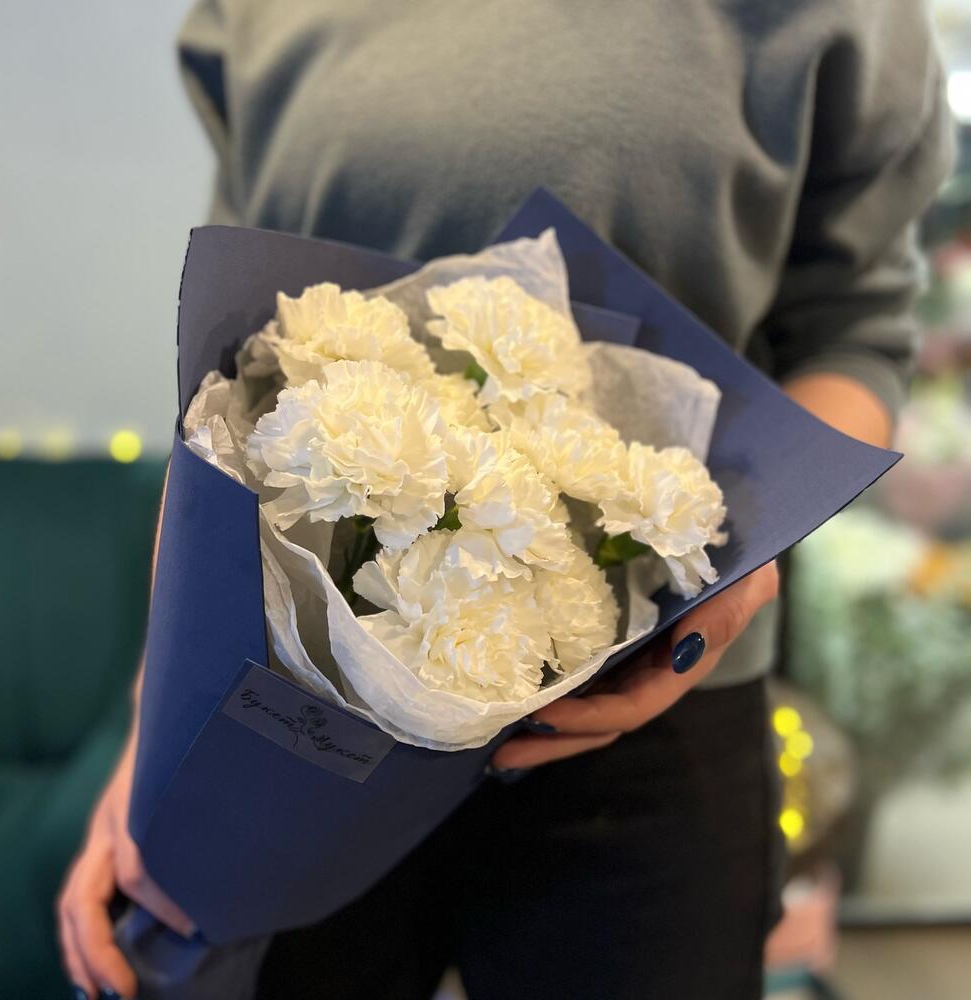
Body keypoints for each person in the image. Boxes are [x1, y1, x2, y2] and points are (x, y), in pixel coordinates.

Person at [58, 2, 952, 997]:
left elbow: (856, 331)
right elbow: (232, 379)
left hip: (642, 721)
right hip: (295, 712)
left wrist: (738, 563)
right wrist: (160, 726)